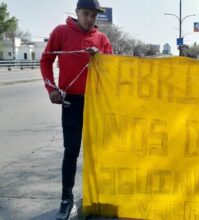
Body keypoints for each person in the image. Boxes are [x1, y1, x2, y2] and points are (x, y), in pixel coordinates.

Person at [40, 0, 112, 219]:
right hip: (71, 101)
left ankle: (99, 196)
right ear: (77, 12)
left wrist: (99, 57)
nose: (89, 19)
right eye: (86, 13)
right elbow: (46, 60)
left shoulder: (101, 39)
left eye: (93, 15)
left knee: (100, 152)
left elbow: (112, 69)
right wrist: (51, 89)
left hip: (97, 103)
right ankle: (66, 199)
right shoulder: (61, 32)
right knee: (71, 151)